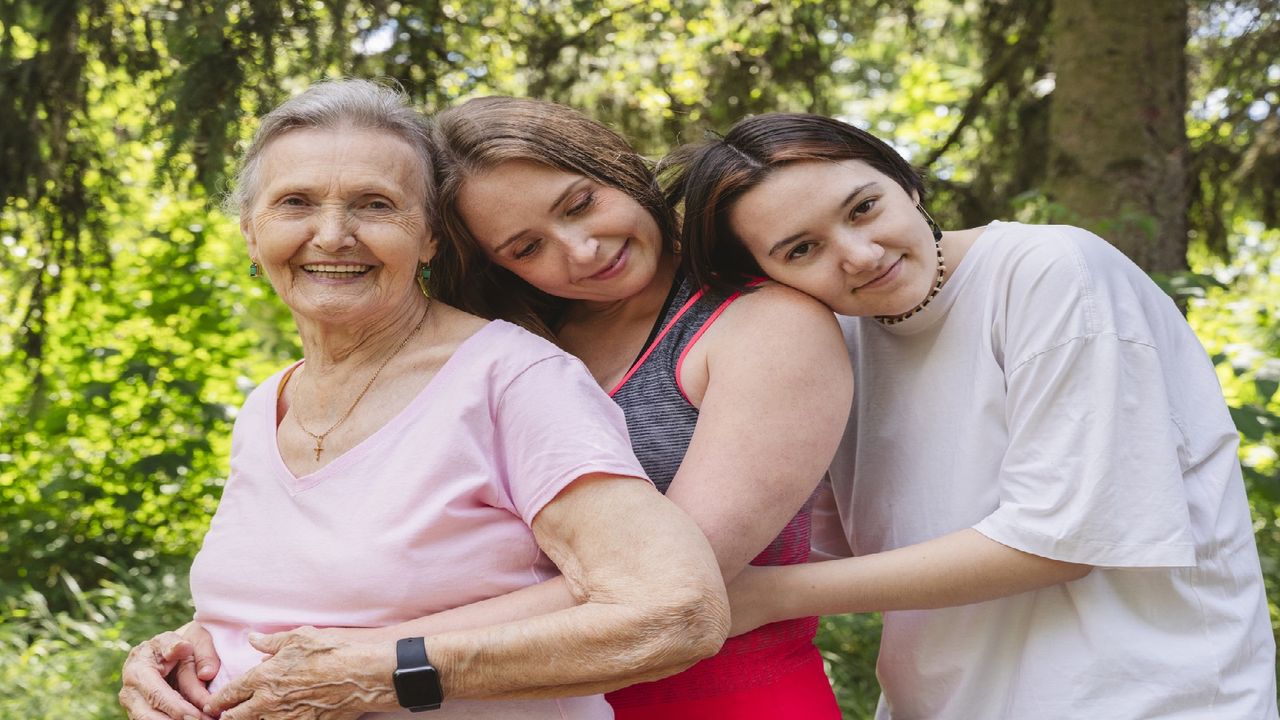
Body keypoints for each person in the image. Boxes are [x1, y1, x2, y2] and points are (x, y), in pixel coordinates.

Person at [123, 94, 851, 719]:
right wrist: (213, 643)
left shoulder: (532, 372)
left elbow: (678, 587)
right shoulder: (282, 401)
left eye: (580, 203)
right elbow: (347, 575)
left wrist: (370, 663)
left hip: (715, 698)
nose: (583, 248)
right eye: (527, 244)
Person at [663, 112, 1280, 719]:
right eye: (802, 249)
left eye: (863, 208)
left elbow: (1060, 541)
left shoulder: (1050, 271)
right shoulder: (831, 344)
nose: (859, 253)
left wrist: (768, 597)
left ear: (903, 181)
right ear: (763, 276)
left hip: (1146, 698)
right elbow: (824, 543)